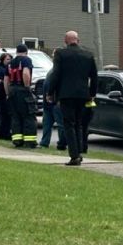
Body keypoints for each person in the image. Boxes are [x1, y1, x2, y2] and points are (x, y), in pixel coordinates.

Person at [45, 31, 97, 166]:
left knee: (69, 124)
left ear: (65, 40)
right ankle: (79, 151)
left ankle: (74, 156)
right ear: (78, 40)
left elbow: (56, 74)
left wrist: (50, 92)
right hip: (83, 94)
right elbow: (94, 76)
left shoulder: (61, 54)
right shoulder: (88, 54)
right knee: (79, 124)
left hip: (66, 94)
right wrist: (92, 93)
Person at [5, 44, 38, 148]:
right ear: (26, 52)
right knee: (29, 116)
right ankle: (30, 142)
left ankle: (17, 141)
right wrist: (27, 87)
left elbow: (6, 79)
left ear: (17, 51)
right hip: (22, 90)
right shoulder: (26, 60)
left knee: (16, 116)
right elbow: (25, 73)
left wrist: (7, 93)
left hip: (12, 91)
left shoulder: (10, 63)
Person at [0, 53, 13, 140]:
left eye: (10, 59)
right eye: (7, 59)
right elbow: (3, 81)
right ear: (2, 60)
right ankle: (4, 134)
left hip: (5, 94)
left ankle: (5, 133)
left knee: (7, 116)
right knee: (4, 116)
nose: (9, 61)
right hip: (2, 95)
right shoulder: (1, 69)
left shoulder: (9, 68)